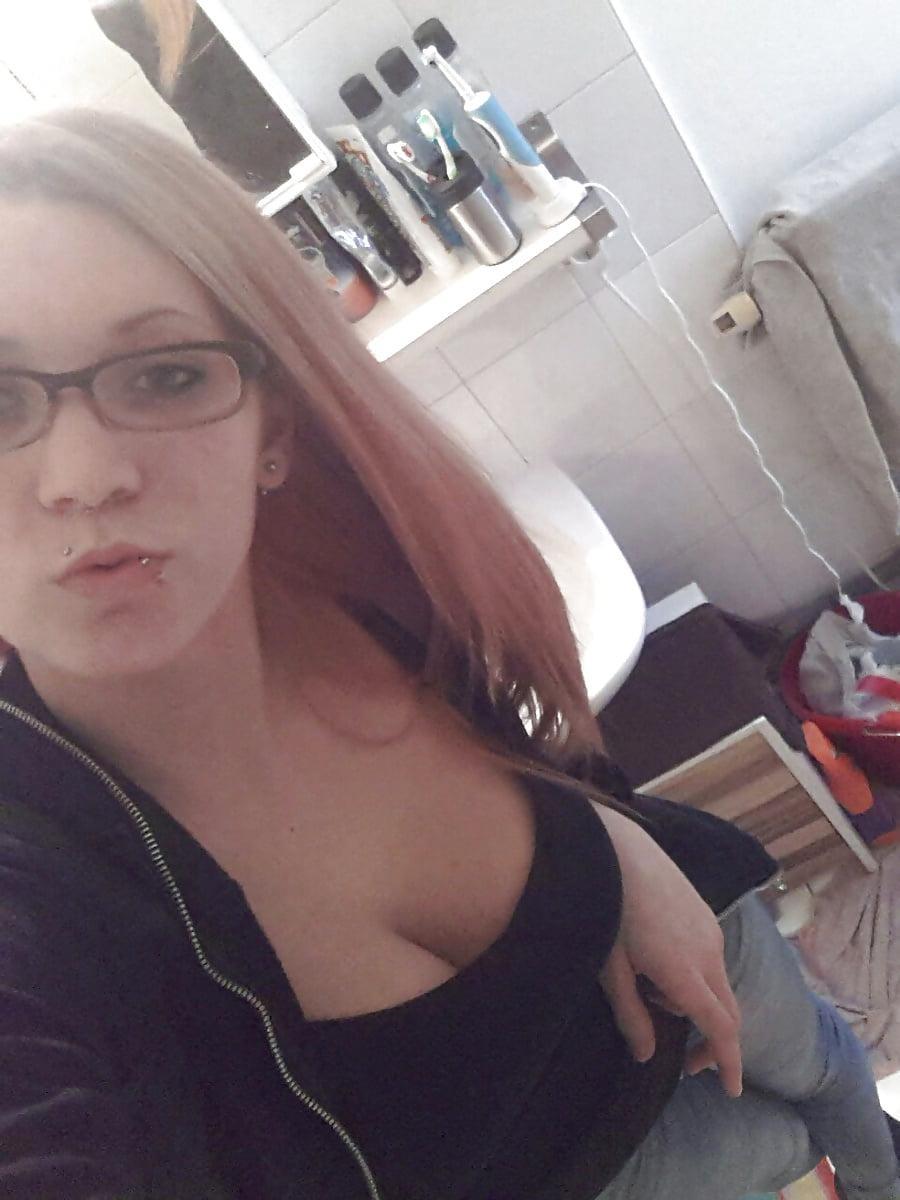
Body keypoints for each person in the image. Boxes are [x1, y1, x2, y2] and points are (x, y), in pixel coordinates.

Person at [0, 95, 896, 1200]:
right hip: (602, 1177)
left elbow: (519, 732)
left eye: (166, 374)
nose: (84, 475)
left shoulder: (356, 575)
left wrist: (614, 837)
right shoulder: (34, 906)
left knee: (843, 1088)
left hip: (706, 949)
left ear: (271, 427)